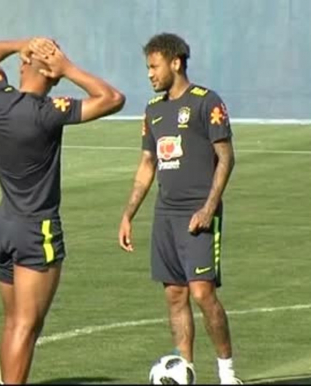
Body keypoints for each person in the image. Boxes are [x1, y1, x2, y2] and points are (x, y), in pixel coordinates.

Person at [0, 37, 125, 384]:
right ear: (52, 73)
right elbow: (113, 99)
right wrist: (69, 69)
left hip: (4, 226)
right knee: (26, 327)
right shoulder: (48, 113)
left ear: (24, 64)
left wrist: (20, 43)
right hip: (36, 230)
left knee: (14, 322)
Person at [117, 33, 242, 385]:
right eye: (147, 67)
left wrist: (209, 208)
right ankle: (185, 371)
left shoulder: (207, 102)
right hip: (165, 215)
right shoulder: (153, 110)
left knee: (202, 293)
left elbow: (226, 157)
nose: (149, 74)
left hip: (198, 215)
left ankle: (227, 374)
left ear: (176, 62)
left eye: (154, 66)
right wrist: (129, 213)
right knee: (174, 294)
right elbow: (146, 166)